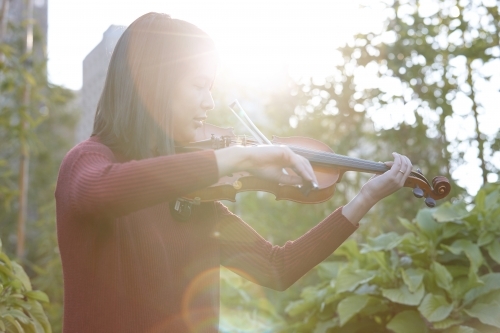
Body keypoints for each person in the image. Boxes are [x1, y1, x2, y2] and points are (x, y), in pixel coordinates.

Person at [55, 12, 412, 333]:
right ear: (153, 82)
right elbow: (99, 192)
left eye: (211, 88)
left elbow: (277, 268)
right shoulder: (87, 162)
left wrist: (365, 198)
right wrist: (239, 159)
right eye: (198, 86)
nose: (209, 102)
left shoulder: (194, 199)